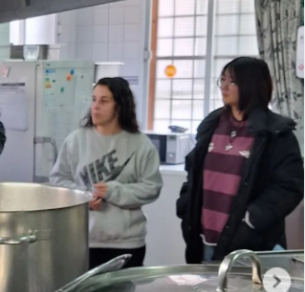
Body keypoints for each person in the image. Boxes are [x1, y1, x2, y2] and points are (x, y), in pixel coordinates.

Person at [176, 57, 303, 263]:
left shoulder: (275, 132)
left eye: (232, 81)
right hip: (204, 238)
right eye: (223, 79)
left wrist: (252, 219)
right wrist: (186, 204)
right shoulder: (212, 124)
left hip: (250, 243)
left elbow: (290, 186)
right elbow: (194, 170)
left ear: (251, 86)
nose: (224, 86)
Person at [50, 77, 162, 269]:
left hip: (127, 243)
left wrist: (113, 191)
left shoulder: (140, 144)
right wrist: (83, 196)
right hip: (83, 239)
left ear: (120, 106)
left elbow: (151, 187)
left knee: (125, 290)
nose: (95, 107)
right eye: (94, 99)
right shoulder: (76, 140)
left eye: (104, 101)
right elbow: (58, 180)